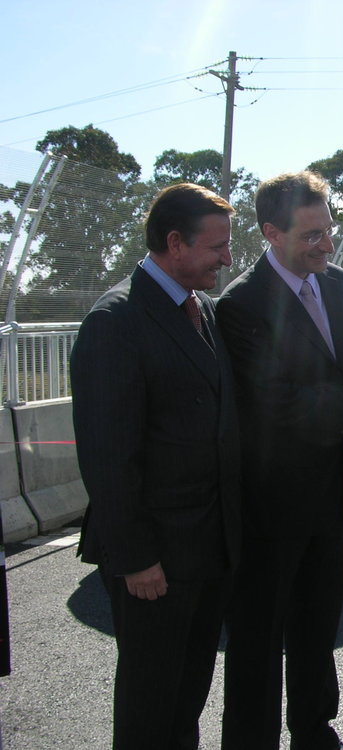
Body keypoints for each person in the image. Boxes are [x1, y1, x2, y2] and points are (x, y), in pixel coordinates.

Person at [217, 170, 343, 750]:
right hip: (269, 500)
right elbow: (272, 402)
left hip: (330, 490)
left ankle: (313, 730)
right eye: (313, 236)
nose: (328, 244)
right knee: (258, 635)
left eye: (328, 231)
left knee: (317, 622)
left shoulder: (337, 284)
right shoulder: (241, 306)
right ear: (271, 234)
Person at [71, 183, 241, 750]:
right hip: (156, 560)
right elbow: (107, 456)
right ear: (174, 242)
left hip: (205, 549)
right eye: (218, 246)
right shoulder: (116, 321)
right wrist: (137, 557)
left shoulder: (202, 310)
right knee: (150, 704)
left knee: (187, 697)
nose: (228, 258)